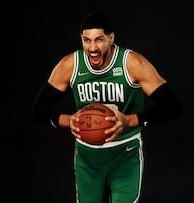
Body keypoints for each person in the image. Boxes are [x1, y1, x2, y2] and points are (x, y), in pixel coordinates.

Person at [32, 11, 182, 203]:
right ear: (81, 39)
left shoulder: (131, 63)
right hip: (87, 157)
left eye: (99, 40)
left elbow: (173, 107)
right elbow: (38, 110)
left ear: (111, 38)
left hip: (125, 154)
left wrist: (129, 120)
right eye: (87, 40)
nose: (92, 47)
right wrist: (69, 121)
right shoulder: (71, 65)